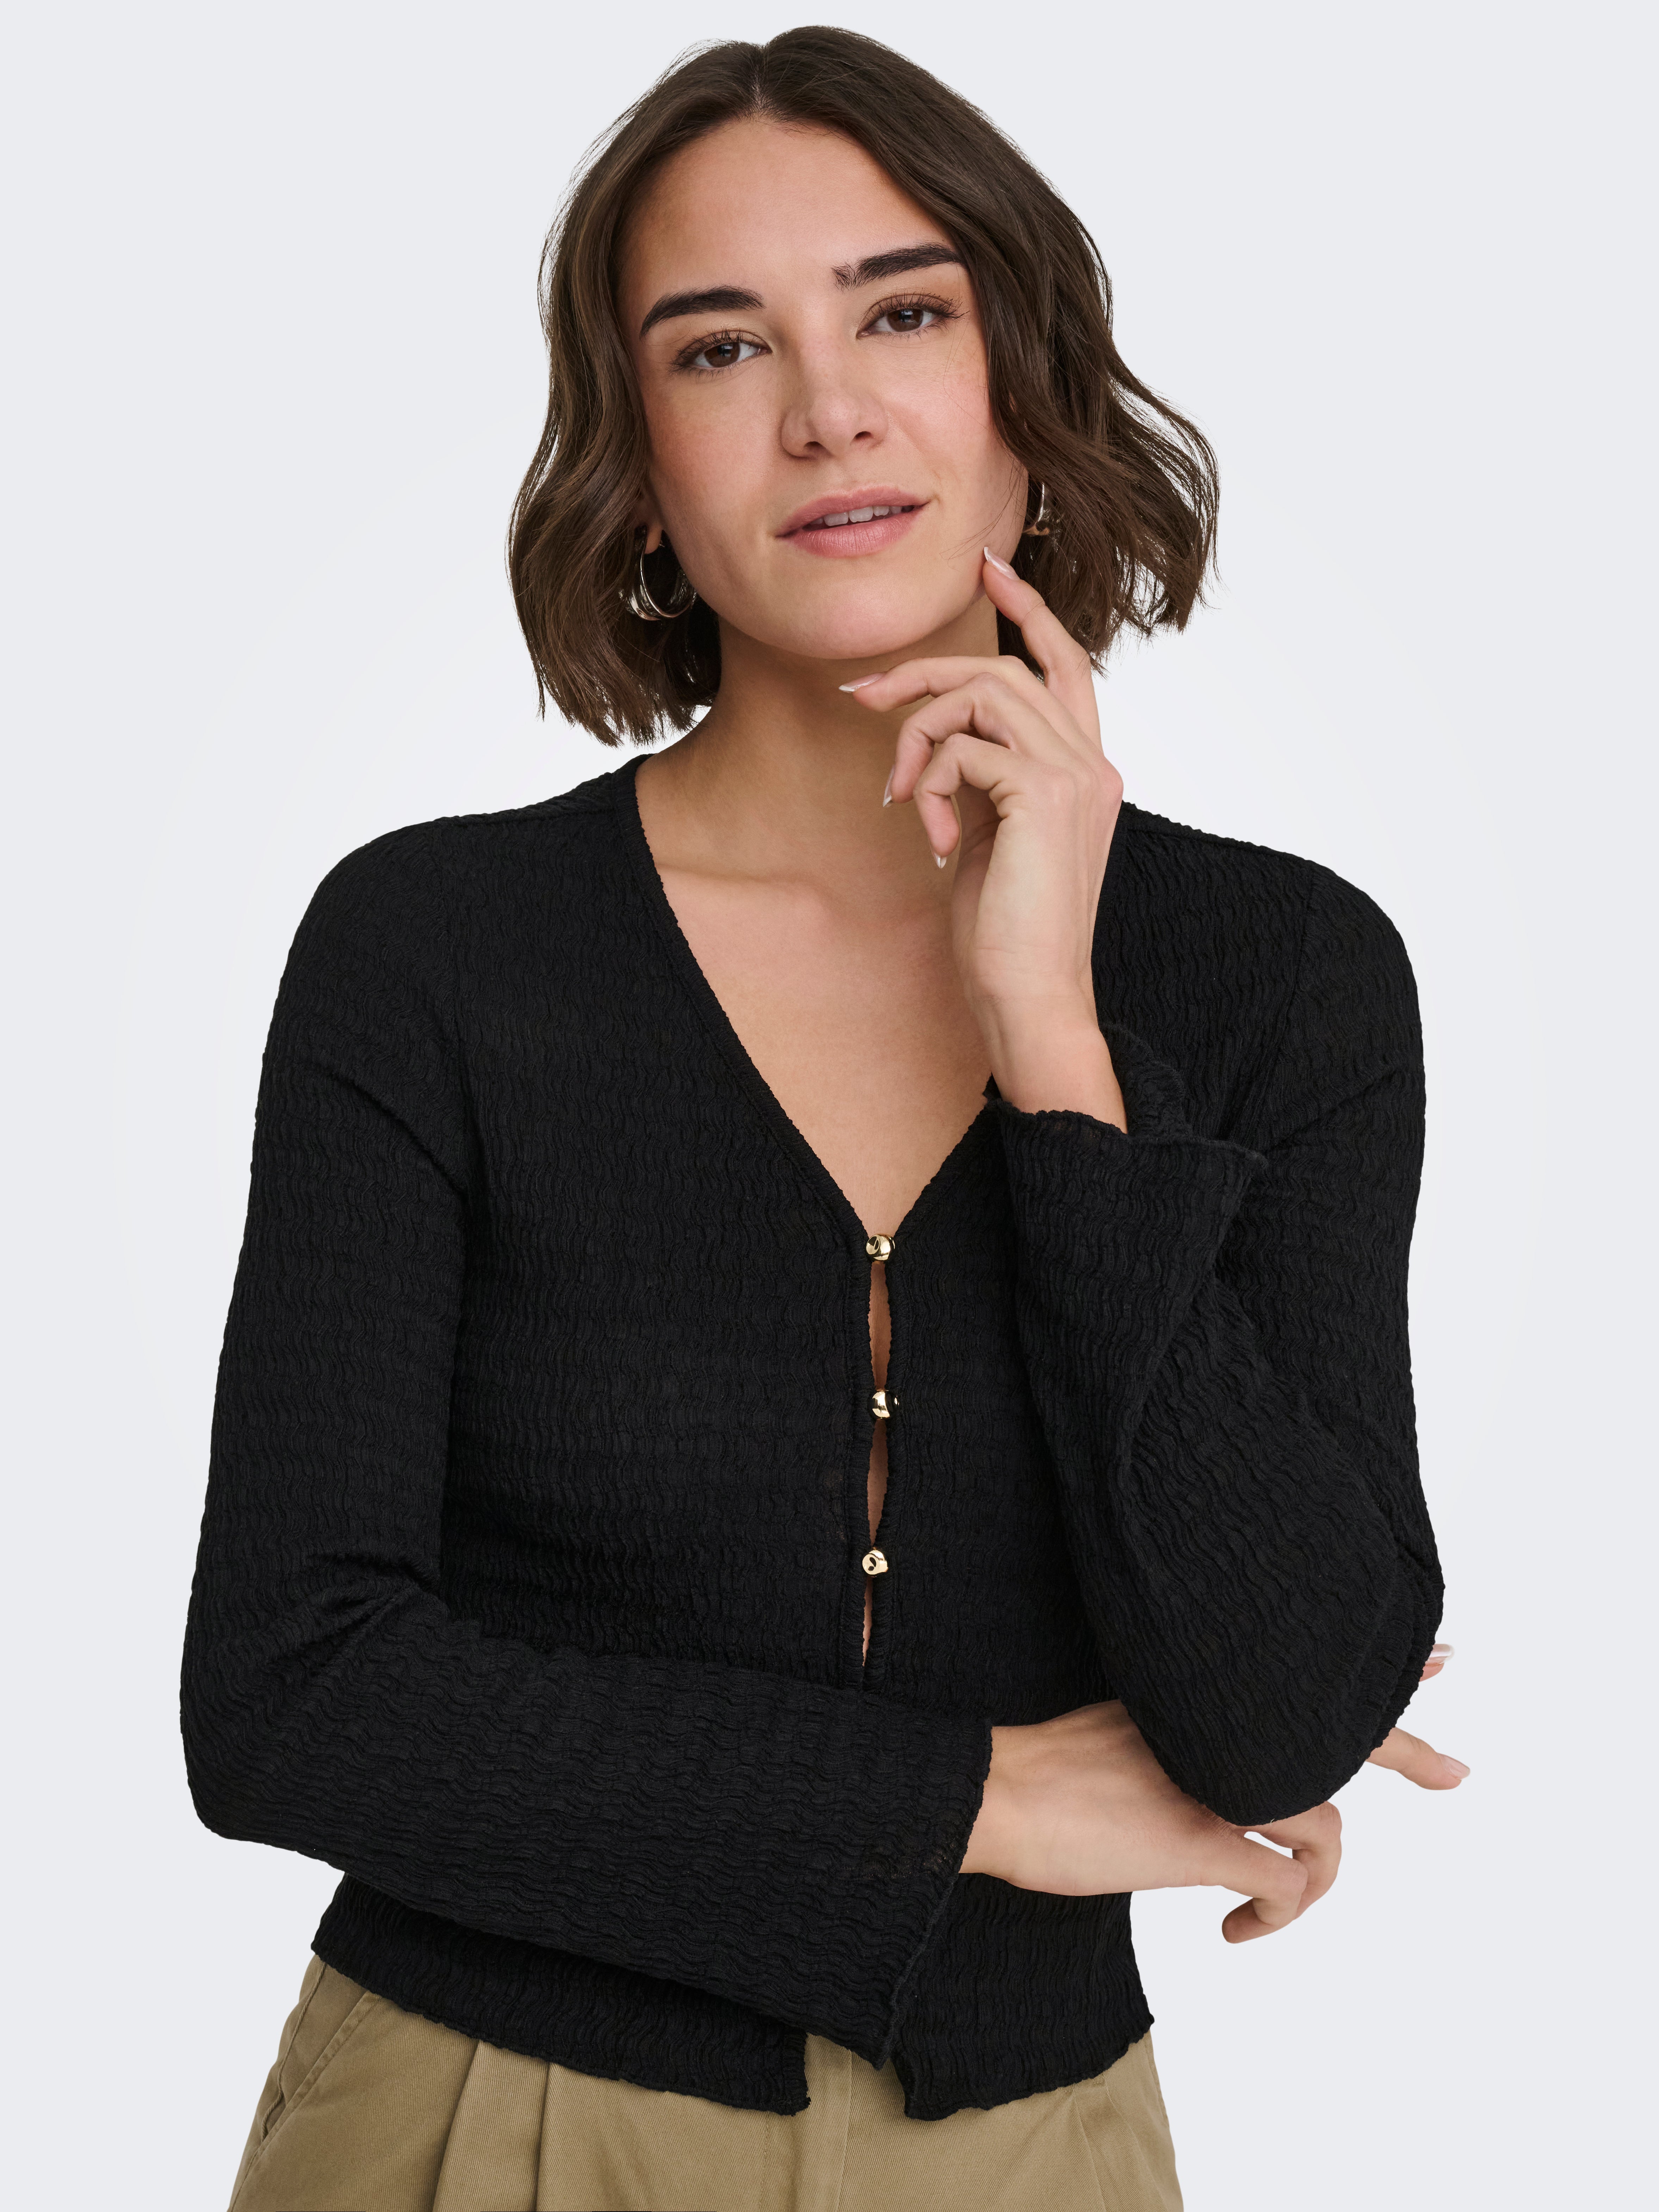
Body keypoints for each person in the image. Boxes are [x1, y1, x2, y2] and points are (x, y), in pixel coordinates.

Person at [183, 27, 1466, 2212]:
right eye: (718, 346)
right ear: (638, 469)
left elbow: (1275, 1717)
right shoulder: (435, 950)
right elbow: (295, 1696)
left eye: (902, 313)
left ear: (1021, 391)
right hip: (476, 2123)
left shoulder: (1281, 977)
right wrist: (978, 1797)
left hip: (1034, 2152)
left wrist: (1050, 1038)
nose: (826, 410)